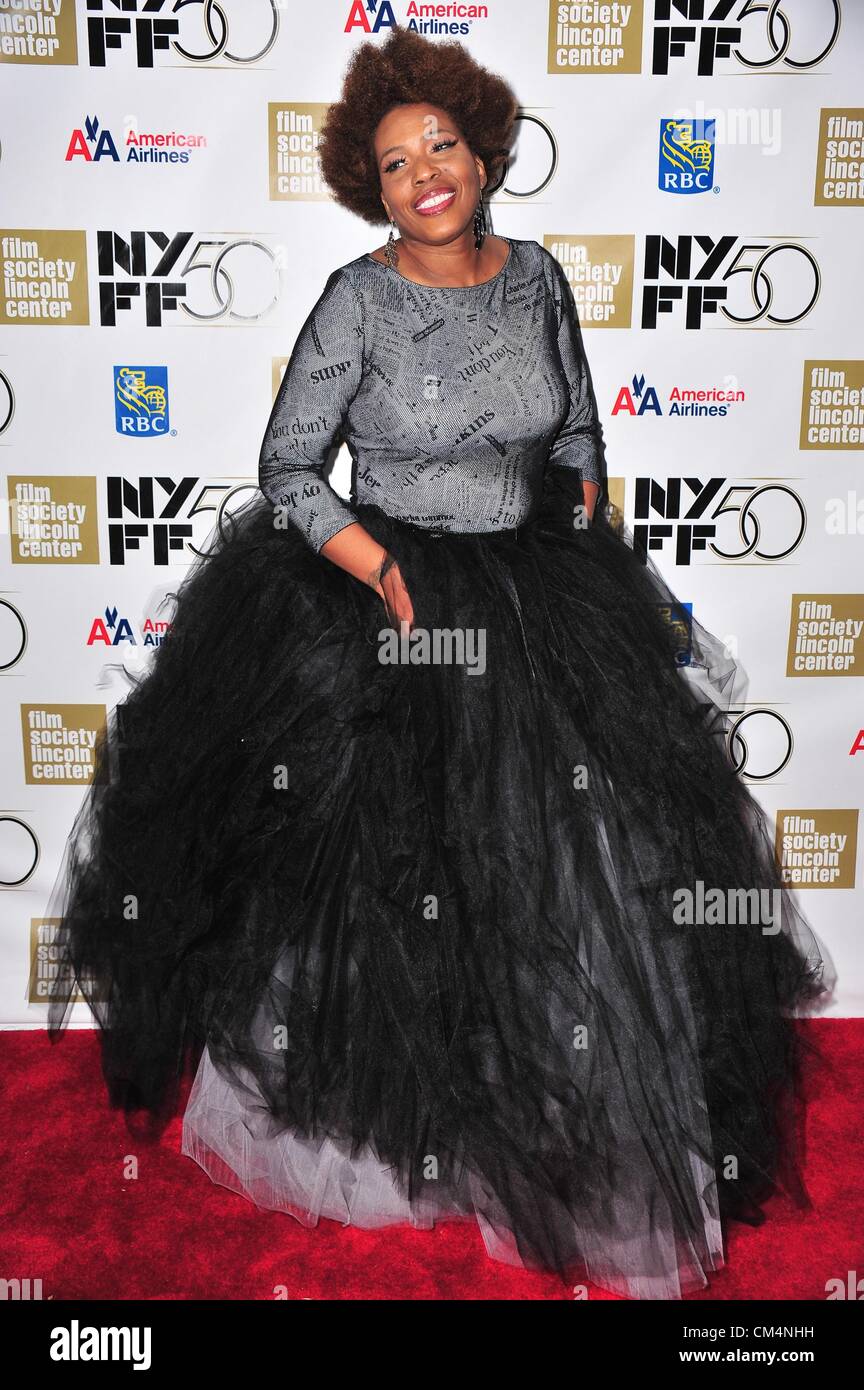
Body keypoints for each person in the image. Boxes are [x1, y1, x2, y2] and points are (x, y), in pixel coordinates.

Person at [40, 27, 833, 1300]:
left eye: (442, 147)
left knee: (562, 881)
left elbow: (573, 434)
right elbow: (288, 469)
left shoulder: (538, 282)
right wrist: (387, 574)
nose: (425, 174)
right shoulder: (357, 300)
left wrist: (590, 572)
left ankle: (539, 1126)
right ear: (375, 184)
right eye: (397, 160)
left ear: (481, 151)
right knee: (383, 886)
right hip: (383, 600)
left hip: (536, 591)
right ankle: (391, 1136)